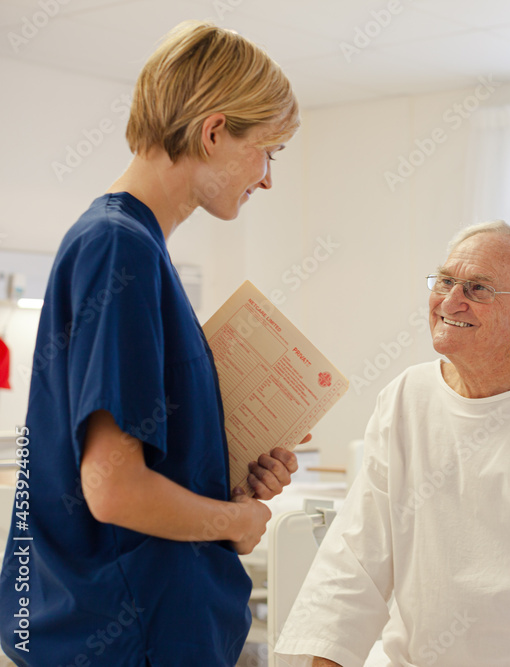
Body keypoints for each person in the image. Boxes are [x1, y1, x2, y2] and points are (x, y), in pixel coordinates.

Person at [0, 20, 303, 666]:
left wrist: (228, 485)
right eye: (268, 150)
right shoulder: (119, 249)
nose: (268, 177)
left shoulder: (137, 250)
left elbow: (143, 469)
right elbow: (113, 489)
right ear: (215, 130)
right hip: (122, 639)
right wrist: (235, 523)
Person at [275, 221, 510, 667]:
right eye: (447, 281)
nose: (451, 301)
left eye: (478, 288)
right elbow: (355, 559)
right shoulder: (404, 397)